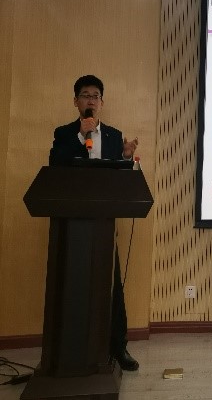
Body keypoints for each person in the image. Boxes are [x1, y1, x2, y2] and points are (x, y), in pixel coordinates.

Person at [49, 74, 140, 371]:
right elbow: (56, 166)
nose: (91, 100)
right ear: (76, 101)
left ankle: (118, 346)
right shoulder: (64, 133)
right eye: (85, 95)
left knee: (112, 289)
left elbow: (117, 179)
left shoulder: (114, 136)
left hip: (103, 224)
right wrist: (80, 136)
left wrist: (126, 158)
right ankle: (67, 348)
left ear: (102, 102)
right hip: (71, 224)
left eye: (95, 96)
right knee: (70, 285)